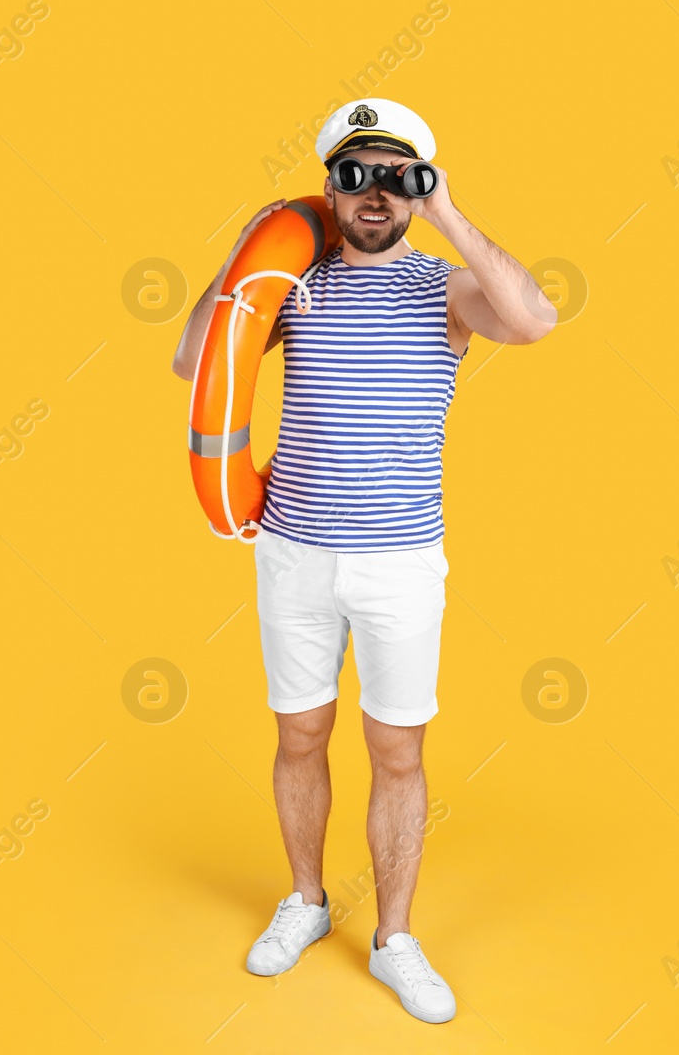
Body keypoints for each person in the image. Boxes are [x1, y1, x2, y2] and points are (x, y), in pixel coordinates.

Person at [170, 98, 555, 1024]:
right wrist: (250, 259)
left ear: (417, 187)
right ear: (330, 189)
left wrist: (450, 212)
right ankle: (305, 902)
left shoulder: (446, 290)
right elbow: (194, 363)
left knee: (398, 750)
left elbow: (536, 321)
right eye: (355, 174)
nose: (374, 192)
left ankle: (395, 939)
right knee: (299, 735)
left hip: (400, 562)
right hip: (293, 551)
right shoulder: (294, 291)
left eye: (396, 175)